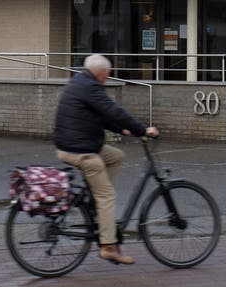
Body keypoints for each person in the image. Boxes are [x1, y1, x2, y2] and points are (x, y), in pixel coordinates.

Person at [54, 54, 159, 265]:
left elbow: (100, 116)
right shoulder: (90, 87)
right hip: (80, 150)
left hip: (77, 143)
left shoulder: (81, 82)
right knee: (107, 195)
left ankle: (100, 208)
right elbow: (113, 110)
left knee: (116, 156)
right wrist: (142, 129)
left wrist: (123, 129)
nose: (109, 76)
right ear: (101, 72)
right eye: (108, 73)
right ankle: (109, 246)